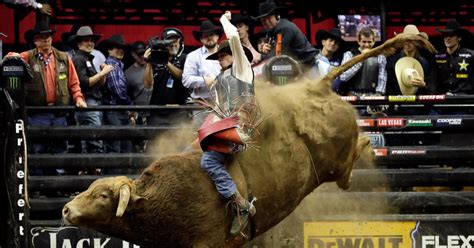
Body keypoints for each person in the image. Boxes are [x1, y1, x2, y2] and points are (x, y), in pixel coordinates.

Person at [198, 11, 258, 235]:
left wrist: (224, 20)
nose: (221, 59)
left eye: (225, 55)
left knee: (209, 162)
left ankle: (239, 204)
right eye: (220, 56)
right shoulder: (220, 80)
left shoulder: (241, 69)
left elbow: (234, 38)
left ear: (235, 54)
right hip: (225, 128)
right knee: (191, 152)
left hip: (239, 130)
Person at [8, 21, 87, 174]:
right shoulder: (27, 57)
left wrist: (78, 98)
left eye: (48, 37)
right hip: (38, 113)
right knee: (38, 149)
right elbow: (10, 60)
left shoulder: (63, 58)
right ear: (35, 40)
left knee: (60, 149)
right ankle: (39, 185)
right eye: (42, 38)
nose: (46, 40)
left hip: (59, 113)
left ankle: (56, 186)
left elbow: (74, 83)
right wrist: (14, 56)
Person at [70, 26, 114, 155]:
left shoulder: (87, 58)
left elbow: (99, 85)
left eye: (92, 40)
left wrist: (103, 73)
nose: (90, 43)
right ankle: (92, 171)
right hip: (87, 103)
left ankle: (91, 170)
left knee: (93, 139)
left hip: (93, 103)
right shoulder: (78, 59)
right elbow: (84, 83)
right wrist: (102, 73)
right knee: (94, 140)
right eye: (86, 40)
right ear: (79, 44)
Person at [144, 28, 190, 126]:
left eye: (175, 40)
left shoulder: (186, 58)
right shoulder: (156, 58)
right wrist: (149, 62)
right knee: (156, 141)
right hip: (157, 112)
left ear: (180, 42)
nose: (173, 44)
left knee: (181, 140)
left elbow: (183, 77)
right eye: (169, 41)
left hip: (179, 111)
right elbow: (147, 84)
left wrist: (165, 62)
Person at [182, 20, 222, 127]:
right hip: (202, 105)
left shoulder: (227, 53)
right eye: (205, 35)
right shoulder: (193, 56)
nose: (209, 37)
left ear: (217, 36)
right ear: (201, 39)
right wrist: (204, 80)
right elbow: (186, 80)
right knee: (200, 138)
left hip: (225, 104)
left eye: (212, 34)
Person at [254, 0, 317, 68]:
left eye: (269, 18)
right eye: (263, 20)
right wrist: (267, 51)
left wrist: (261, 56)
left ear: (276, 16)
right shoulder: (271, 32)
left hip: (313, 64)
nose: (266, 22)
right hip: (303, 66)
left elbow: (278, 53)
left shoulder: (284, 28)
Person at [102, 34, 133, 153]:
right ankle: (114, 172)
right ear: (110, 50)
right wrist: (130, 105)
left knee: (122, 147)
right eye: (117, 48)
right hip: (113, 110)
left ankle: (117, 171)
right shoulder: (112, 65)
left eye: (122, 48)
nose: (120, 50)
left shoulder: (118, 66)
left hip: (119, 110)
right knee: (115, 147)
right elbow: (117, 90)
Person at [339, 27, 387, 96]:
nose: (367, 45)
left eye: (369, 42)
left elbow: (382, 79)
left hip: (372, 96)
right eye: (364, 42)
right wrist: (361, 59)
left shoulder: (380, 57)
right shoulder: (349, 54)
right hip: (352, 95)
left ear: (373, 42)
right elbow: (343, 77)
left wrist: (378, 94)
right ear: (359, 41)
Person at [431, 19, 474, 96]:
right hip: (443, 100)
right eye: (445, 35)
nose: (447, 38)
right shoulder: (437, 56)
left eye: (451, 35)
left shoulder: (470, 56)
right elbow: (433, 82)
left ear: (459, 38)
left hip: (464, 100)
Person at [386, 25, 430, 97]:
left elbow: (430, 88)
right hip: (397, 103)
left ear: (417, 42)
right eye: (405, 40)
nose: (408, 43)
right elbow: (389, 86)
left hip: (417, 104)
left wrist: (423, 85)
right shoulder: (393, 62)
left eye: (411, 40)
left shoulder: (424, 63)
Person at [126, 41, 151, 152]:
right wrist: (130, 113)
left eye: (143, 53)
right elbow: (127, 96)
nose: (142, 57)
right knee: (139, 146)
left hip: (155, 113)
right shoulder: (128, 73)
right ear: (133, 54)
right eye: (139, 54)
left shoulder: (153, 66)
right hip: (139, 114)